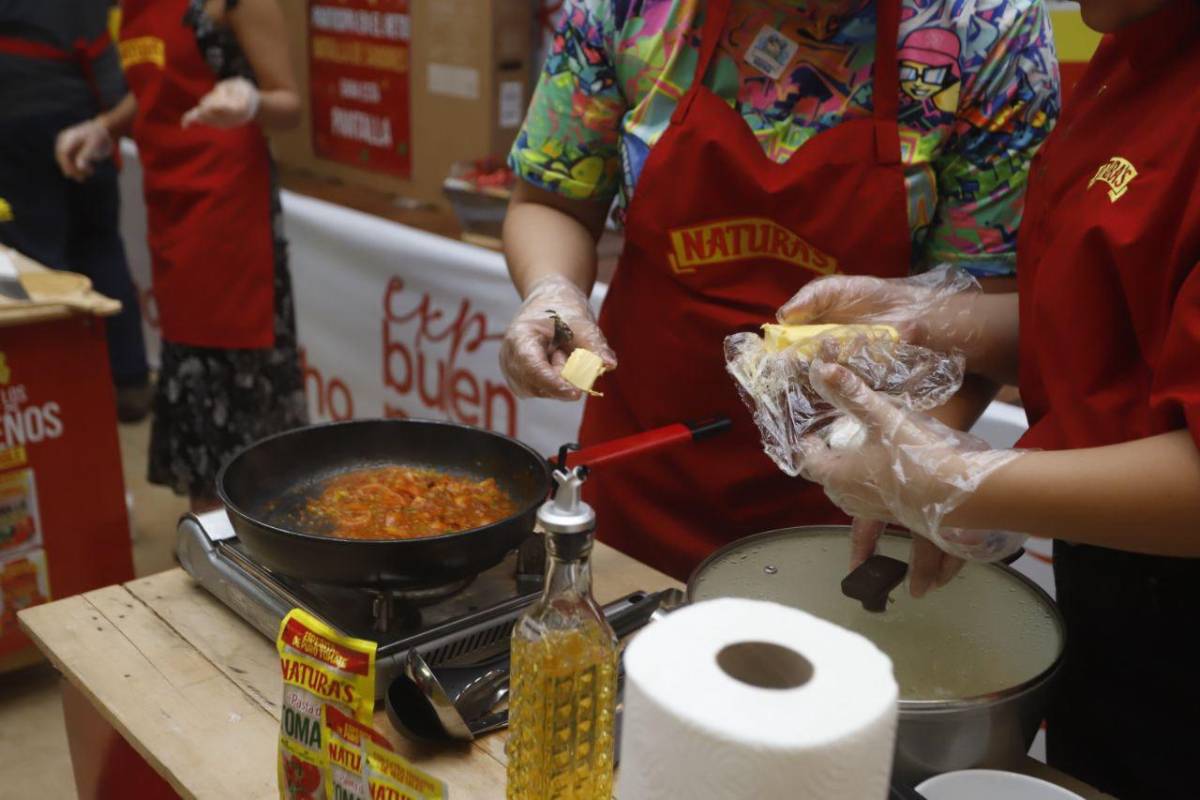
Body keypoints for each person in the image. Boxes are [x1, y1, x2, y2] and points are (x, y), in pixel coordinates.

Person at [781, 1, 1200, 796]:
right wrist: (933, 319)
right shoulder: (1133, 49)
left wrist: (954, 481)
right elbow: (1109, 326)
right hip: (1112, 602)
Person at [500, 0, 1060, 580]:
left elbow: (981, 305)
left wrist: (914, 464)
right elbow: (552, 200)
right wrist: (550, 291)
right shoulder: (632, 10)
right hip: (643, 454)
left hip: (853, 484)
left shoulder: (988, 30)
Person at [56, 0, 307, 512]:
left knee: (236, 379)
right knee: (192, 374)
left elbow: (290, 104)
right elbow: (155, 86)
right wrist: (106, 126)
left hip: (231, 208)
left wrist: (251, 101)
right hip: (170, 202)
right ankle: (211, 534)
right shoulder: (135, 7)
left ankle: (257, 535)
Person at [0, 0, 152, 421]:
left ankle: (60, 396)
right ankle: (128, 382)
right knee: (100, 247)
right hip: (87, 113)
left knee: (35, 266)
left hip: (22, 125)